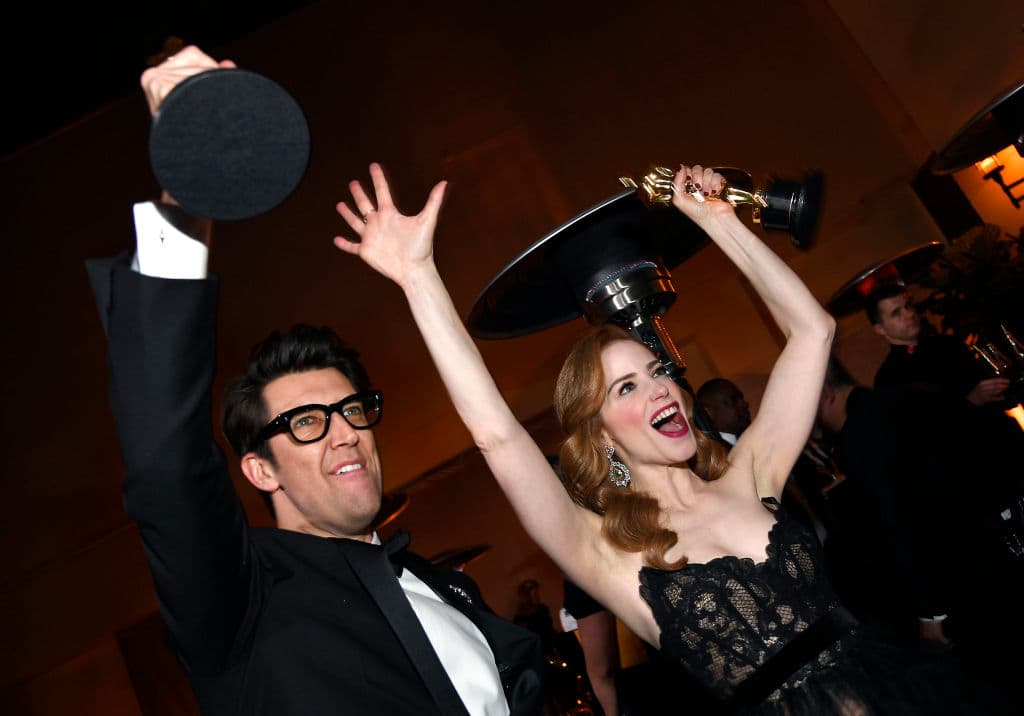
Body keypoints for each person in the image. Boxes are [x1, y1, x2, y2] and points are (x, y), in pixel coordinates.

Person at [334, 162, 986, 713]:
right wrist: (419, 277)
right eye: (626, 388)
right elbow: (497, 436)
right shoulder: (608, 555)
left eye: (656, 372)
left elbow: (813, 332)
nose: (659, 390)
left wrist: (718, 221)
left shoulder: (749, 473)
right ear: (601, 437)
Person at [87, 46, 542, 716]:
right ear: (259, 470)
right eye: (306, 422)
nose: (346, 433)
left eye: (352, 409)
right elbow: (164, 461)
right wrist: (190, 182)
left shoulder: (446, 589)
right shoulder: (242, 602)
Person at [867, 284, 1008, 406]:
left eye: (908, 306)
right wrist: (970, 401)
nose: (909, 314)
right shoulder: (888, 379)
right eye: (896, 313)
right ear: (880, 329)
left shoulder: (948, 344)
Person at [695, 378, 751, 446]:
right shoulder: (712, 450)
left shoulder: (751, 441)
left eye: (741, 398)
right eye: (734, 401)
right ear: (708, 413)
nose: (745, 404)